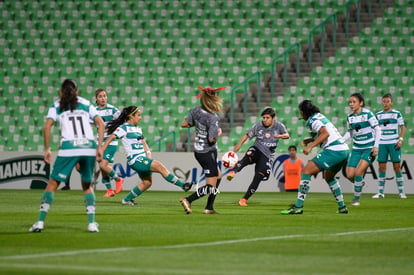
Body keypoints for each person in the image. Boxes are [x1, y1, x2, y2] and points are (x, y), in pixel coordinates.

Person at [29, 79, 105, 233]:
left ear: (61, 92)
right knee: (87, 185)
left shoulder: (57, 105)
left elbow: (47, 126)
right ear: (76, 91)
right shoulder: (85, 103)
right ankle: (91, 223)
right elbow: (101, 123)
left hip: (69, 147)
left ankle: (40, 223)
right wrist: (100, 147)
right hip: (88, 147)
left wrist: (47, 149)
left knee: (53, 184)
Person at [102, 106, 193, 205]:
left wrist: (148, 156)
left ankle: (126, 200)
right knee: (159, 166)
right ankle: (183, 185)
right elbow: (111, 137)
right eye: (138, 115)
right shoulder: (123, 128)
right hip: (135, 159)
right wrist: (102, 150)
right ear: (131, 116)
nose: (140, 117)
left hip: (142, 159)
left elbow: (144, 143)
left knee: (147, 183)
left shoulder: (138, 129)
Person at [281, 100, 349, 214]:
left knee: (306, 171)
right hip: (344, 150)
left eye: (300, 112)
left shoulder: (313, 120)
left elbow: (325, 133)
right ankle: (342, 207)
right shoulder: (319, 116)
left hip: (334, 150)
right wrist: (310, 139)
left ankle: (298, 207)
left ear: (303, 112)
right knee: (329, 177)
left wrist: (310, 147)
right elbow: (326, 133)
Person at [227, 107, 290, 207]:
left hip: (267, 155)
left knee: (258, 177)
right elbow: (247, 135)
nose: (264, 120)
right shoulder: (259, 125)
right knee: (247, 157)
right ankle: (233, 171)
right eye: (263, 117)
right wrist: (239, 145)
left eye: (267, 118)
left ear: (273, 118)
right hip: (257, 149)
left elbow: (287, 135)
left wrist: (279, 136)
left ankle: (244, 199)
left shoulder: (279, 126)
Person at [179, 86, 225, 214]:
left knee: (218, 176)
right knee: (211, 185)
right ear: (213, 99)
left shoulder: (196, 110)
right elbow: (211, 139)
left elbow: (184, 124)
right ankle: (188, 200)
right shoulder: (213, 117)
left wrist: (199, 124)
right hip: (207, 151)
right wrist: (219, 133)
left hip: (199, 150)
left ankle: (209, 207)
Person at [343, 93, 381, 206]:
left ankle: (356, 199)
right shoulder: (350, 117)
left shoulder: (368, 114)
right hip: (356, 148)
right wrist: (340, 141)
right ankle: (360, 183)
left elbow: (378, 129)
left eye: (354, 102)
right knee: (350, 175)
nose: (351, 104)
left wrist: (376, 146)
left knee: (359, 172)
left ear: (361, 103)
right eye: (350, 102)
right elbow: (349, 132)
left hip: (369, 147)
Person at [373, 93, 407, 199]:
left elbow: (403, 127)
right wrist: (375, 143)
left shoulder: (397, 114)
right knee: (381, 167)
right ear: (382, 102)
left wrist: (400, 139)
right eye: (384, 101)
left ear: (391, 102)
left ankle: (401, 192)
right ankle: (380, 193)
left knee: (397, 167)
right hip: (382, 143)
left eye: (388, 101)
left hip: (394, 143)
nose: (385, 103)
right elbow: (375, 129)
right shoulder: (378, 115)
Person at [94, 88, 124, 197]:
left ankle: (118, 179)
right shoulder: (94, 110)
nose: (103, 98)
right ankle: (109, 190)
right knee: (102, 167)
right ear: (96, 99)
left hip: (111, 142)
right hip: (99, 142)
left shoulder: (112, 110)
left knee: (103, 164)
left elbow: (122, 121)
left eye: (104, 96)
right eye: (100, 96)